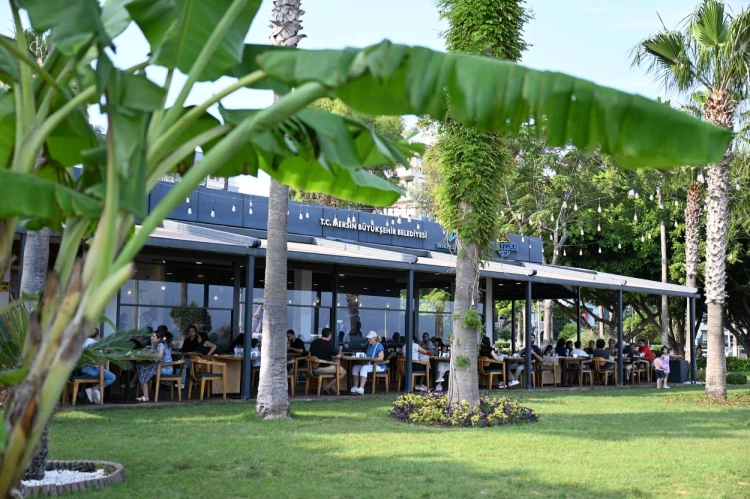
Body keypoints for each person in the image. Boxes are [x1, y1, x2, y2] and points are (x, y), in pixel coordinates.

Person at [81, 328, 116, 404]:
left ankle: (91, 391)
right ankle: (93, 389)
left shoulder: (82, 342)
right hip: (91, 369)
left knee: (105, 372)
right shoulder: (95, 344)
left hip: (81, 369)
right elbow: (100, 357)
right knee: (112, 377)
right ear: (97, 335)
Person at [136, 330, 173, 402]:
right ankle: (145, 396)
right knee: (140, 366)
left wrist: (149, 354)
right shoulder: (154, 345)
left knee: (143, 369)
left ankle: (146, 396)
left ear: (158, 339)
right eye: (151, 336)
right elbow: (150, 353)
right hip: (158, 366)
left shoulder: (161, 345)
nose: (151, 337)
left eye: (153, 336)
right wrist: (144, 351)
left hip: (165, 368)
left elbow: (159, 356)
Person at [309, 327, 346, 395]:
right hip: (322, 368)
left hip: (312, 368)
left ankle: (332, 388)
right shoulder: (329, 345)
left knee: (331, 367)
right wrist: (342, 354)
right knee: (343, 372)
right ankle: (327, 387)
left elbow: (310, 354)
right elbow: (338, 356)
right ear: (329, 335)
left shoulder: (314, 342)